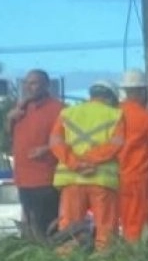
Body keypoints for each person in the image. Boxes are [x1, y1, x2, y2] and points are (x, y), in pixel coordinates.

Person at [49, 80, 125, 252]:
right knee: (105, 228)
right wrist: (90, 161)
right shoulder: (116, 115)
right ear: (111, 97)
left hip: (72, 179)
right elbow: (116, 144)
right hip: (102, 180)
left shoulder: (67, 113)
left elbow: (55, 142)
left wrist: (76, 164)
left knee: (69, 228)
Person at [6, 69, 63, 240]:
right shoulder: (21, 109)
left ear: (46, 85)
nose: (29, 87)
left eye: (34, 83)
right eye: (27, 83)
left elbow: (69, 139)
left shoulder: (58, 109)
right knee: (29, 227)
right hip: (23, 179)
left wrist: (46, 148)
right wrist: (10, 118)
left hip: (46, 179)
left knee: (46, 226)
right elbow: (8, 135)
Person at [117, 69, 148, 242]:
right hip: (138, 179)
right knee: (139, 224)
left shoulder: (113, 114)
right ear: (142, 91)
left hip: (113, 178)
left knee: (115, 223)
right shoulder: (147, 118)